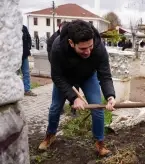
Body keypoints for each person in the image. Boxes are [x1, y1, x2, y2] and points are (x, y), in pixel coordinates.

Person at [38, 20, 116, 157]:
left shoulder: (98, 48)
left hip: (87, 77)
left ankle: (99, 143)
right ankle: (50, 135)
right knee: (55, 107)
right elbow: (56, 76)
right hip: (65, 78)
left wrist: (110, 96)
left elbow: (105, 74)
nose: (88, 52)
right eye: (83, 49)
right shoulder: (57, 48)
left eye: (90, 47)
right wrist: (74, 98)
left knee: (98, 109)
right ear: (71, 43)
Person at [46, 22, 76, 116]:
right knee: (58, 94)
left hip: (73, 71)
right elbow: (51, 53)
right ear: (59, 28)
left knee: (75, 90)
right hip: (59, 70)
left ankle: (74, 109)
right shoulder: (53, 39)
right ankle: (58, 109)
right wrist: (55, 65)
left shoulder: (73, 37)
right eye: (62, 29)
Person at [21, 25, 37, 96]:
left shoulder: (24, 28)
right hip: (15, 55)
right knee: (14, 74)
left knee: (26, 73)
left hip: (24, 54)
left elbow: (29, 38)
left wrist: (28, 47)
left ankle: (27, 90)